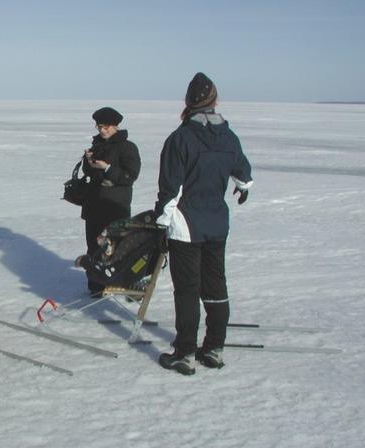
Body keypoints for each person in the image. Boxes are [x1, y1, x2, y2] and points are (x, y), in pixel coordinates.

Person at [154, 72, 253, 375]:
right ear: (214, 101)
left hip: (186, 224)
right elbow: (244, 173)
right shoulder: (228, 136)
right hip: (216, 223)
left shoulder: (181, 138)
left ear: (188, 102)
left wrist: (161, 224)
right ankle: (214, 348)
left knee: (187, 289)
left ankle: (184, 353)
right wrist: (243, 187)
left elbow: (171, 189)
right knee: (215, 285)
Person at [81, 107, 141, 294]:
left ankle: (119, 284)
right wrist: (89, 162)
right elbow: (88, 172)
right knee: (93, 247)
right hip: (93, 207)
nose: (102, 130)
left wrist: (107, 168)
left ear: (115, 125)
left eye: (106, 126)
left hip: (115, 208)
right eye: (99, 127)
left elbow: (130, 176)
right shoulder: (96, 145)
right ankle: (96, 287)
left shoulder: (127, 147)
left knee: (115, 249)